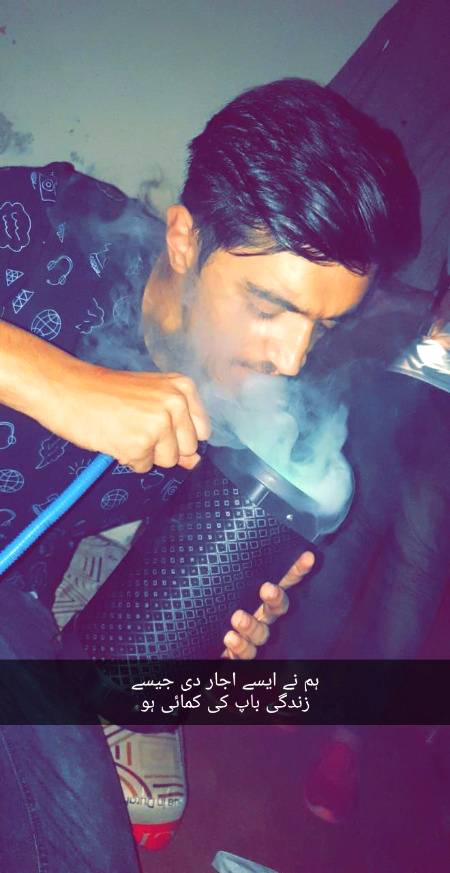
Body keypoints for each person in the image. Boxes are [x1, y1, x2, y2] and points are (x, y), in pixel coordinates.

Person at [0, 78, 417, 870]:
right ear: (186, 241)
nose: (291, 357)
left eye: (322, 325)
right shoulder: (44, 224)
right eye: (269, 304)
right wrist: (58, 381)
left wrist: (210, 620)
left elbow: (131, 653)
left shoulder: (240, 414)